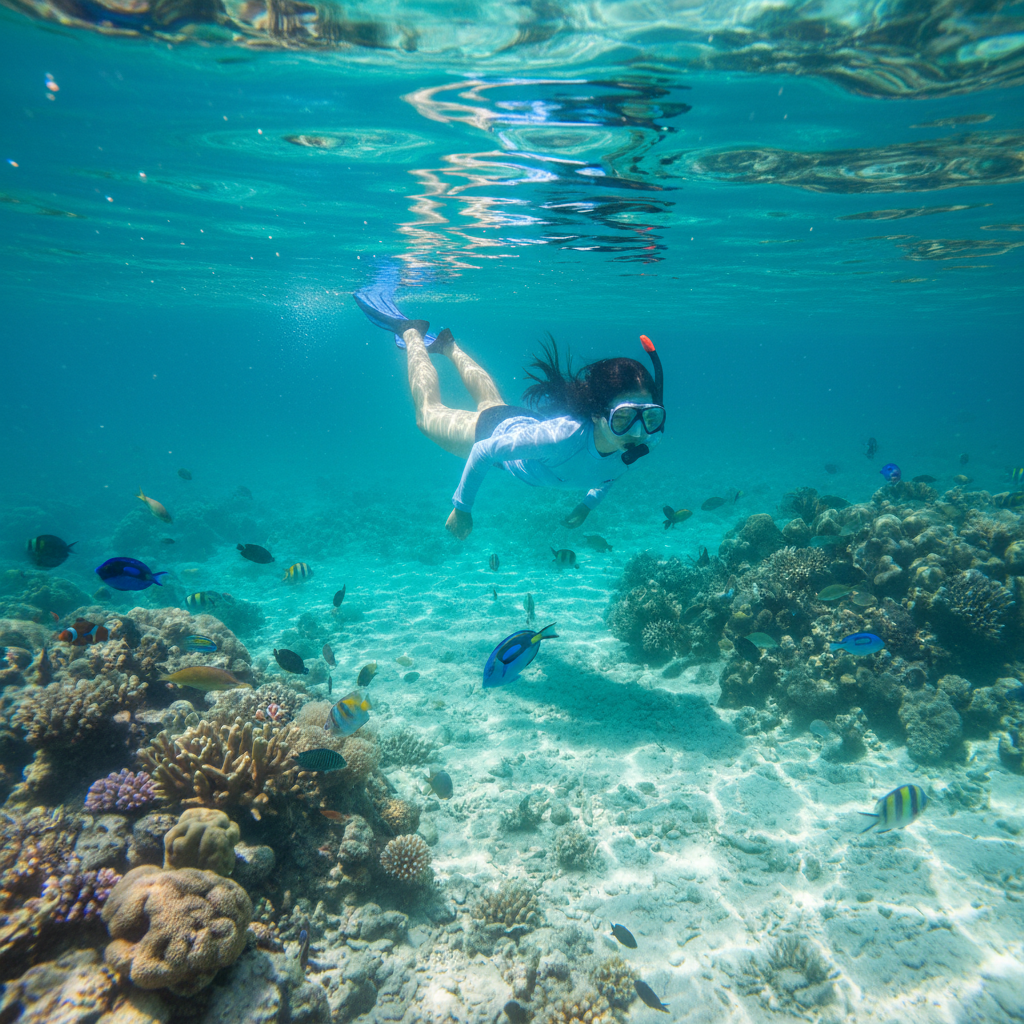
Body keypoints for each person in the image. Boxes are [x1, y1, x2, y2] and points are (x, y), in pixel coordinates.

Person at [354, 283, 665, 540]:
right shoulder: (562, 440)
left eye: (649, 417)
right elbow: (483, 451)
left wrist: (586, 506)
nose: (639, 432)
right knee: (427, 415)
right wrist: (462, 508)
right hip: (493, 432)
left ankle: (448, 346)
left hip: (519, 424)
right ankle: (411, 332)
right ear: (597, 413)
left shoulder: (642, 445)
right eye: (624, 418)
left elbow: (610, 474)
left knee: (492, 403)